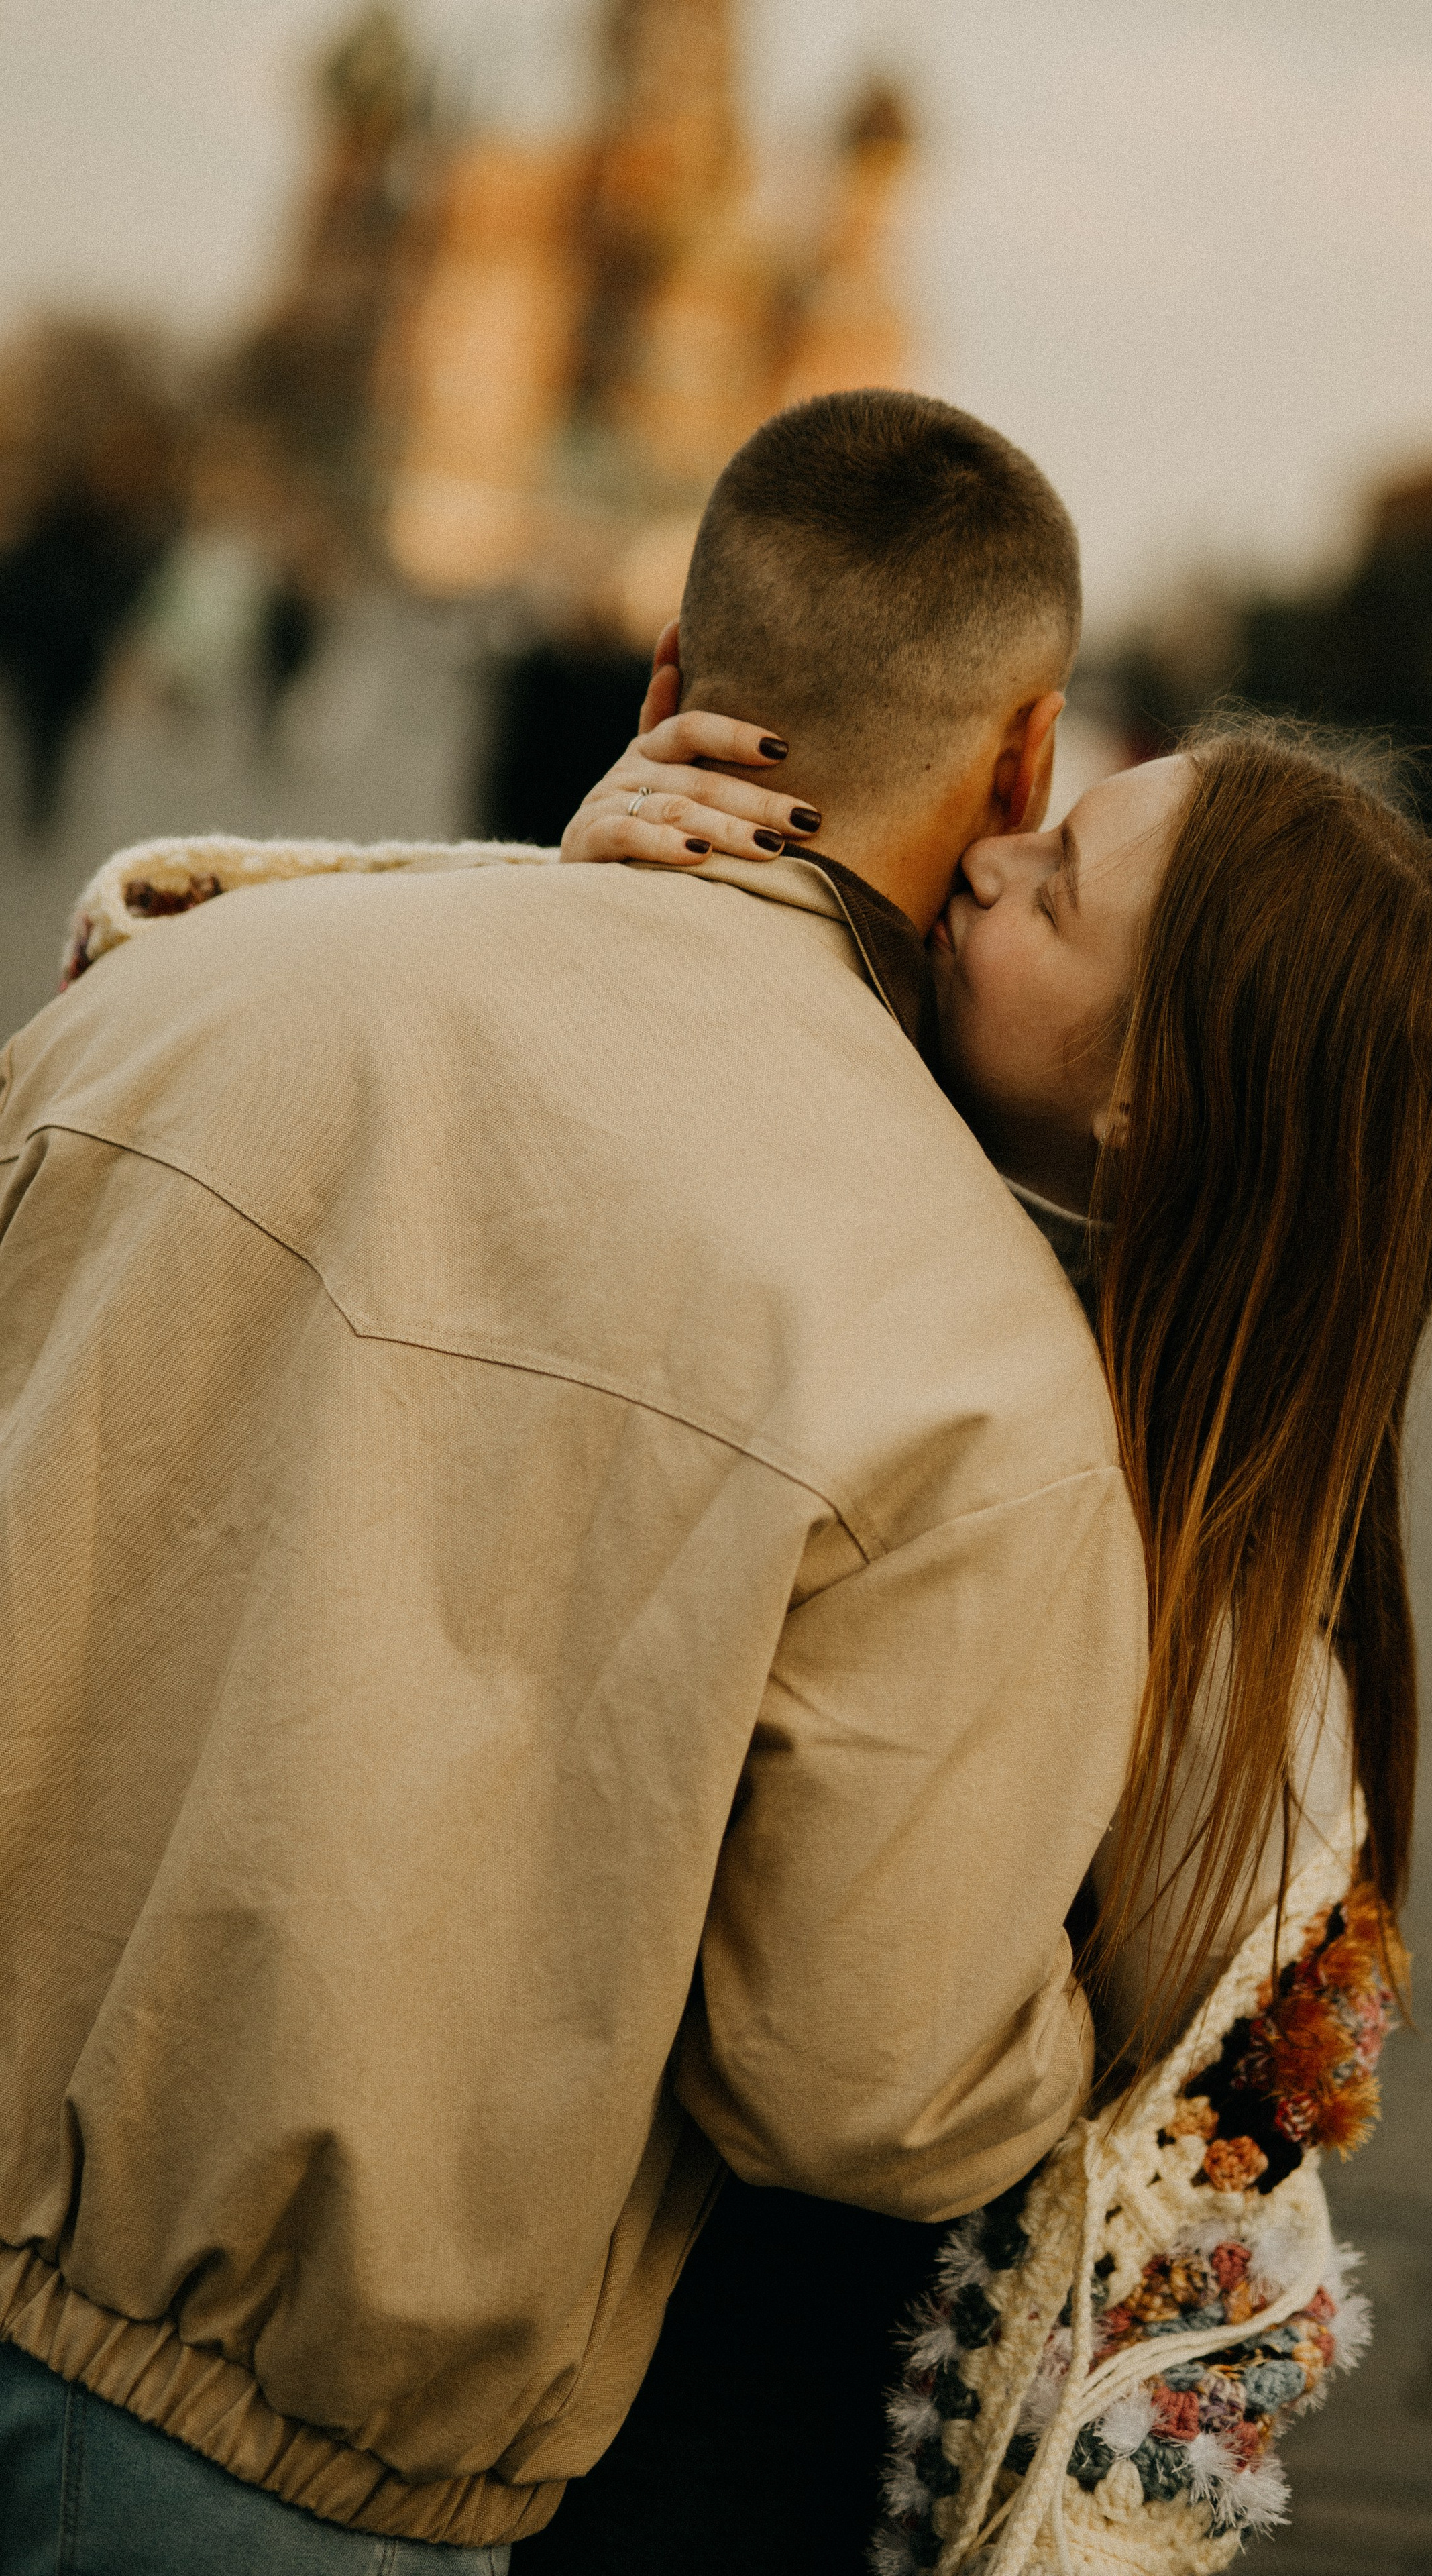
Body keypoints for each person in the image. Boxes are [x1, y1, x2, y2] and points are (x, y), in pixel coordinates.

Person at [0, 394, 1151, 2573]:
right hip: (257, 2449)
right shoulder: (984, 1352)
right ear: (1023, 761)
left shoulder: (179, 973)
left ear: (666, 691)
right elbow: (857, 2077)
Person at [520, 663, 1432, 2567]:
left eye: (1055, 885)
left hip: (754, 2445)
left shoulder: (1184, 1617)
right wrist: (610, 920)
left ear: (1153, 1096)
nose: (984, 863)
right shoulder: (936, 1246)